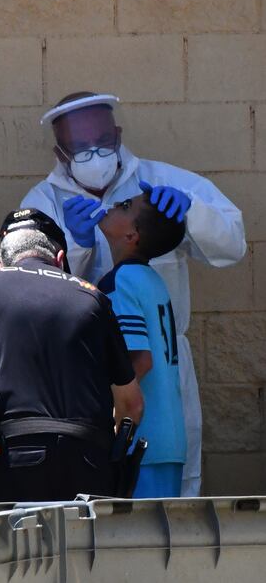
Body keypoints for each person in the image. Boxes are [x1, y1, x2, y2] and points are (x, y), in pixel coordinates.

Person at [21, 91, 246, 496]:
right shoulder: (42, 202)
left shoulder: (159, 183)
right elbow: (30, 289)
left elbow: (232, 246)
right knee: (100, 489)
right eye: (80, 147)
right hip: (86, 371)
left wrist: (192, 210)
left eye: (104, 142)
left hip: (160, 369)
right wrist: (77, 246)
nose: (95, 154)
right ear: (60, 151)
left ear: (119, 133)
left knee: (171, 495)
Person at [0, 208, 143, 521]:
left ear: (2, 264)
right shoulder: (92, 298)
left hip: (12, 461)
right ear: (59, 258)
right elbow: (131, 404)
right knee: (86, 564)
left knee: (19, 566)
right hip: (88, 462)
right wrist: (113, 462)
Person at [97, 190, 187, 497]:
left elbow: (140, 361)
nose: (113, 205)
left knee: (135, 541)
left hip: (140, 443)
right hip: (169, 441)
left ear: (132, 235)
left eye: (124, 206)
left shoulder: (118, 281)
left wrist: (108, 415)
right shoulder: (151, 278)